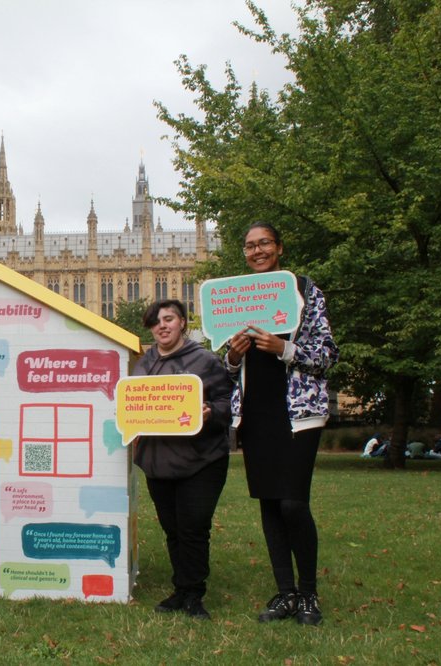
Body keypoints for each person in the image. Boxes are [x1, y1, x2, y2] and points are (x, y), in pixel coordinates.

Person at [224, 222, 339, 626]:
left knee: (293, 502)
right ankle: (285, 593)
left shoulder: (305, 292)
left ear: (279, 248)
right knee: (271, 504)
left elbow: (327, 355)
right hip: (256, 409)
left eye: (264, 244)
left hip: (299, 411)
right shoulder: (235, 296)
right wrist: (235, 356)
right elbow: (227, 364)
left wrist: (284, 347)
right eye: (250, 245)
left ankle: (308, 594)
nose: (257, 251)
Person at [132, 299, 232, 620]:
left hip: (201, 461)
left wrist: (211, 412)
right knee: (172, 529)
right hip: (157, 461)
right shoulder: (143, 365)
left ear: (182, 323)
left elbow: (228, 403)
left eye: (169, 319)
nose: (162, 326)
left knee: (192, 528)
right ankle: (181, 588)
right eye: (156, 321)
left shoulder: (204, 361)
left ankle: (193, 594)